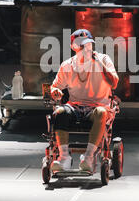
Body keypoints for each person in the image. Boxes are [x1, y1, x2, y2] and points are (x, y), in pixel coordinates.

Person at [50, 29, 119, 173]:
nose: (85, 48)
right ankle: (64, 158)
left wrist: (99, 64)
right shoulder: (67, 65)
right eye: (81, 45)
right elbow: (55, 87)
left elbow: (114, 83)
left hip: (98, 105)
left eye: (88, 44)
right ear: (73, 47)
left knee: (100, 112)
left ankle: (88, 157)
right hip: (76, 105)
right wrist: (55, 92)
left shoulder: (103, 59)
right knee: (60, 111)